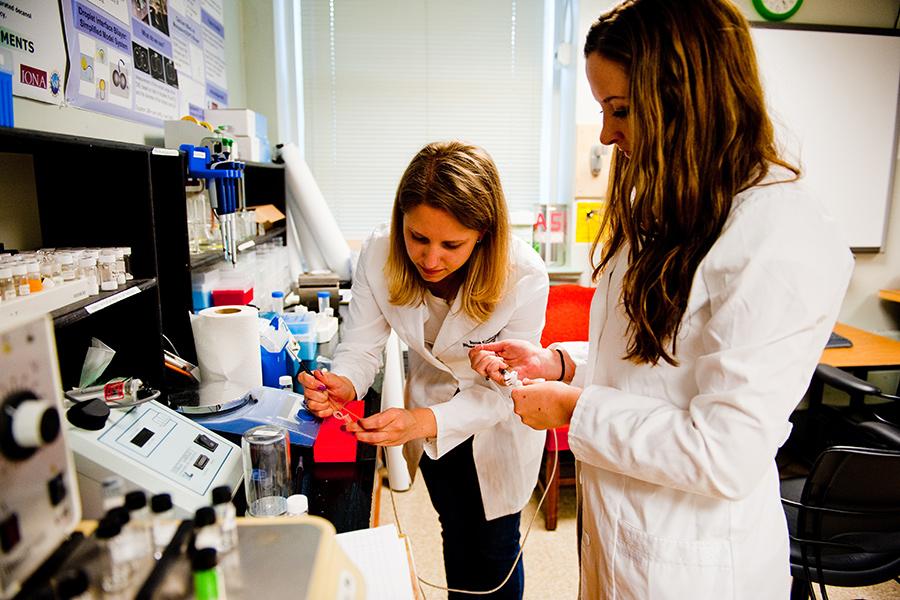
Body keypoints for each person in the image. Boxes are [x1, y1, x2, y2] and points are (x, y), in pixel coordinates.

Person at [469, 1, 854, 598]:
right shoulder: (674, 204)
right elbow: (655, 357)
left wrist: (574, 407)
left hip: (692, 565)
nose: (606, 134)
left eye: (619, 109)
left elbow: (723, 452)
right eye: (602, 109)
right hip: (622, 534)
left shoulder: (779, 234)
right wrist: (561, 364)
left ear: (686, 96)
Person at [299, 141, 548, 599]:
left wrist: (419, 422)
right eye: (418, 238)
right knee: (454, 534)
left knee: (494, 553)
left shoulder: (524, 274)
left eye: (451, 244)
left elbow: (506, 388)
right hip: (432, 420)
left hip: (497, 431)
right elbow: (361, 343)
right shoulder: (379, 253)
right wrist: (346, 380)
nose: (431, 260)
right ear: (401, 223)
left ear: (483, 234)